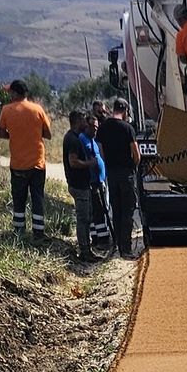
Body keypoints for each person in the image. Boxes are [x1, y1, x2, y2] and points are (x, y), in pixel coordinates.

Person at [0, 77, 52, 241]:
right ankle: (39, 233)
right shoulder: (38, 109)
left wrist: (13, 135)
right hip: (37, 164)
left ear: (14, 93)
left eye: (10, 92)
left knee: (19, 199)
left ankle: (19, 232)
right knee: (37, 198)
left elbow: (0, 133)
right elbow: (48, 134)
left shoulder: (6, 110)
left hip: (18, 164)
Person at [93, 100, 139, 256]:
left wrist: (109, 164)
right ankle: (126, 249)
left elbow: (100, 151)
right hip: (126, 174)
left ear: (113, 109)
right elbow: (136, 153)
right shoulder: (128, 128)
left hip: (111, 174)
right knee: (128, 210)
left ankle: (118, 245)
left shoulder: (103, 127)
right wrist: (133, 165)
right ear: (125, 110)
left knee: (116, 209)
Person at [61, 105, 106, 259]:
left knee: (87, 217)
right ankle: (85, 252)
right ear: (77, 121)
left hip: (82, 184)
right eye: (83, 121)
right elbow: (73, 162)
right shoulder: (73, 139)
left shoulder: (74, 137)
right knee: (83, 219)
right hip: (78, 185)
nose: (86, 125)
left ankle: (88, 250)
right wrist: (89, 163)